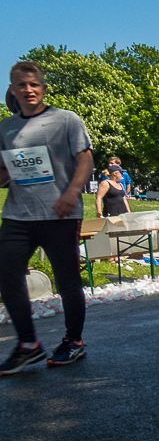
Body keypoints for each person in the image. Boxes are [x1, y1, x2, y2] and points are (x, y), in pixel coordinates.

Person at [0, 61, 93, 374]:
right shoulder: (6, 128)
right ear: (12, 89)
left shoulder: (66, 120)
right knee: (7, 274)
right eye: (21, 85)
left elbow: (85, 159)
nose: (28, 90)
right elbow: (4, 172)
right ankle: (28, 344)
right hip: (17, 215)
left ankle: (74, 341)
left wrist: (71, 193)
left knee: (67, 281)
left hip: (60, 214)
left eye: (34, 84)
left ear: (43, 87)